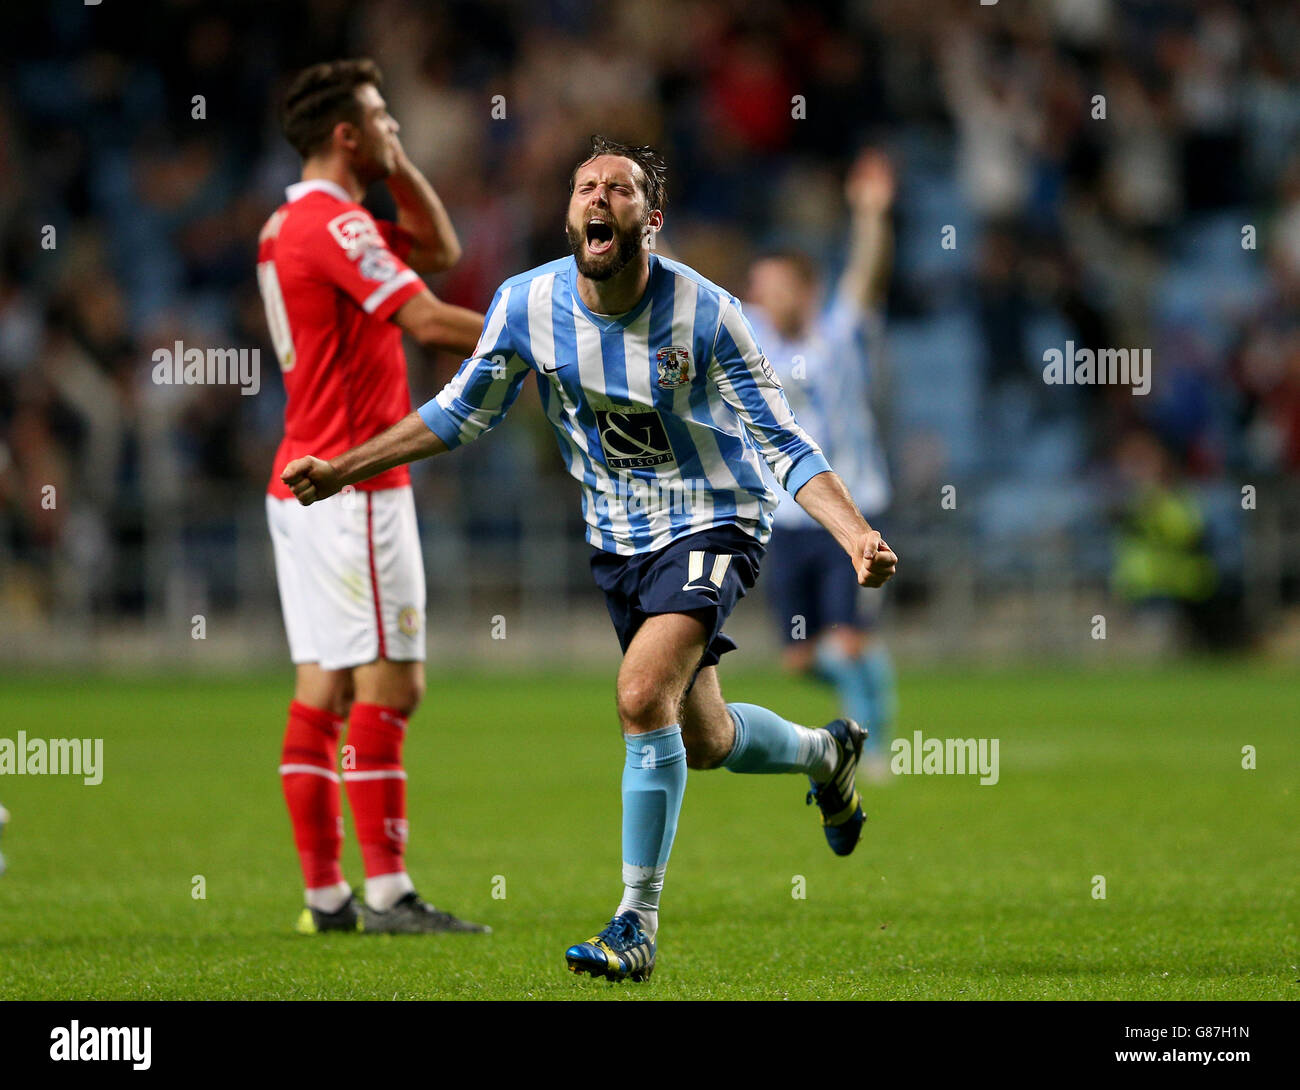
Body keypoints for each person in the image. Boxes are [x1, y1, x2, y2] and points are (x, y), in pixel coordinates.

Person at [281, 136, 898, 980]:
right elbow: (460, 413)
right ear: (571, 215)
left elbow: (781, 440)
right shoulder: (525, 305)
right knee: (705, 736)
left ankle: (633, 925)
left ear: (651, 218)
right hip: (618, 543)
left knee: (641, 695)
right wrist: (344, 466)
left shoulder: (708, 314)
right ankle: (828, 755)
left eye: (619, 187)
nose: (598, 197)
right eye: (584, 186)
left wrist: (854, 530)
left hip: (715, 520)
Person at [259, 58, 489, 935]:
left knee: (322, 684)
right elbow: (430, 317)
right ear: (347, 134)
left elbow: (440, 252)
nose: (398, 127)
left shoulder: (292, 222)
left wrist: (397, 167)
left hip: (298, 476)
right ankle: (389, 893)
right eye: (383, 118)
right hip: (353, 481)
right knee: (392, 684)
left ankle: (327, 898)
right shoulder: (336, 224)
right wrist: (548, 340)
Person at [746, 149, 898, 778]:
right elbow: (682, 285)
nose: (765, 295)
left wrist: (870, 213)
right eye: (760, 286)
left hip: (852, 505)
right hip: (787, 516)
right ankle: (872, 686)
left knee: (844, 639)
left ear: (807, 289)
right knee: (800, 657)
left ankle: (875, 741)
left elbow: (867, 272)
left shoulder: (839, 333)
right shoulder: (751, 336)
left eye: (778, 284)